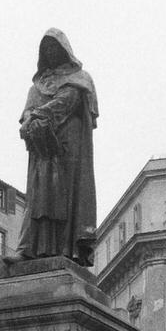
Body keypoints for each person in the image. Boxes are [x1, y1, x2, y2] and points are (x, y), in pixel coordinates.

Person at [13, 29, 99, 266]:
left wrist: (37, 116)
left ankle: (66, 248)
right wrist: (30, 120)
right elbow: (27, 111)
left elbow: (66, 102)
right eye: (46, 49)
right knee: (38, 195)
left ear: (64, 50)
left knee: (66, 195)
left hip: (68, 146)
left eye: (54, 48)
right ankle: (29, 249)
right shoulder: (37, 86)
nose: (51, 52)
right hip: (42, 147)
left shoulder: (80, 78)